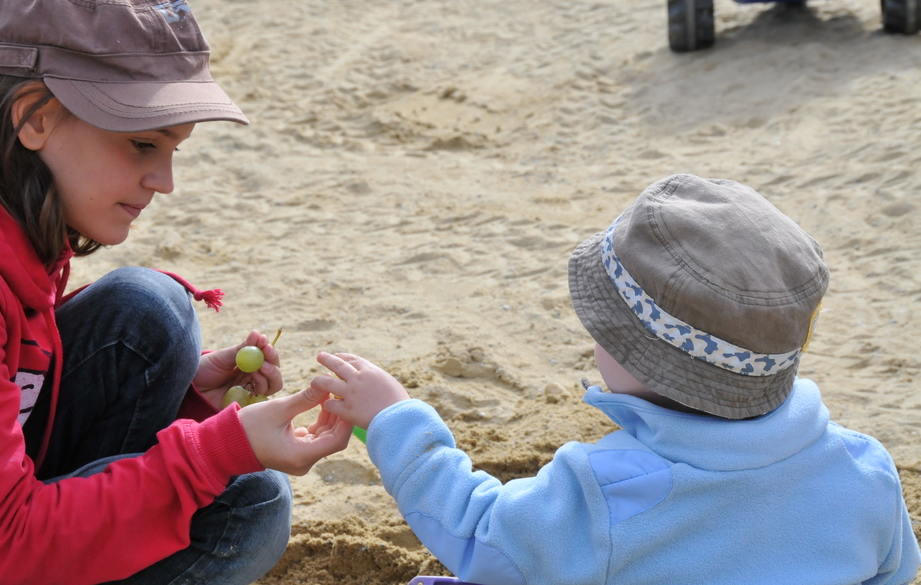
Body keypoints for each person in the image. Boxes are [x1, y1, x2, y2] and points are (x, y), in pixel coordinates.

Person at [0, 0, 353, 585]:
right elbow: (3, 544)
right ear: (34, 117)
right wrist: (217, 452)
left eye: (173, 149)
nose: (164, 181)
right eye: (142, 143)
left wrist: (184, 396)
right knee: (244, 507)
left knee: (147, 313)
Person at [313, 173, 921, 585]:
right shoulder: (864, 469)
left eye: (603, 327)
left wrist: (396, 422)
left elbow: (482, 536)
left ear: (641, 358)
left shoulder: (612, 492)